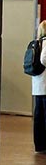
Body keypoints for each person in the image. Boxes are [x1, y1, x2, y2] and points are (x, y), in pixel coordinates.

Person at [33, 20, 46, 153]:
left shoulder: (37, 42)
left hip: (38, 85)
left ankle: (40, 145)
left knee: (39, 116)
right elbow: (44, 59)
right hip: (44, 84)